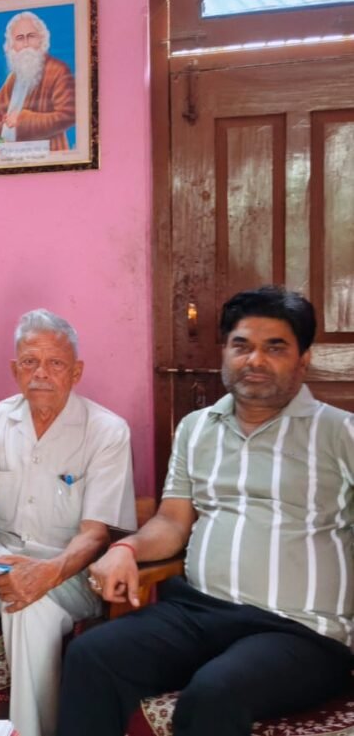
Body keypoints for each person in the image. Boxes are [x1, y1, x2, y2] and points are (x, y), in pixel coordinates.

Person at [56, 287, 353, 736]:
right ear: (225, 352)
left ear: (303, 359)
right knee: (91, 655)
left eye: (275, 347)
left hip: (299, 632)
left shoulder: (339, 434)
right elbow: (173, 521)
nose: (255, 360)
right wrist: (128, 549)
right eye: (242, 345)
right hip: (197, 613)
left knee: (214, 692)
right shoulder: (197, 428)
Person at [0, 309, 135, 736]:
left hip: (69, 567)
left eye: (55, 363)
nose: (41, 373)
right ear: (15, 369)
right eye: (30, 362)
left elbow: (95, 534)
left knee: (28, 608)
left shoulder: (107, 431)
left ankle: (30, 731)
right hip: (2, 553)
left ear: (76, 371)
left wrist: (46, 574)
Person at [0, 11, 76, 151]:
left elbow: (68, 115)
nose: (26, 44)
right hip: (8, 154)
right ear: (11, 45)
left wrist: (22, 120)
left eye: (31, 36)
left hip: (47, 154)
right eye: (20, 38)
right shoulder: (14, 77)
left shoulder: (58, 70)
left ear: (42, 40)